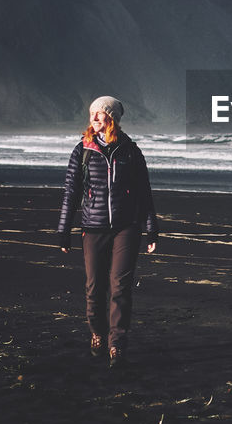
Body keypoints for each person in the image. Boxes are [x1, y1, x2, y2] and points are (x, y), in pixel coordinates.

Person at [57, 96, 158, 367]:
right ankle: (98, 334)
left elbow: (144, 193)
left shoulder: (131, 151)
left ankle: (117, 344)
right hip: (93, 227)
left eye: (100, 113)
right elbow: (71, 194)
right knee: (94, 287)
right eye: (92, 113)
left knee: (120, 287)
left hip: (127, 228)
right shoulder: (83, 151)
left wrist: (152, 230)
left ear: (112, 117)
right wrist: (63, 231)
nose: (95, 118)